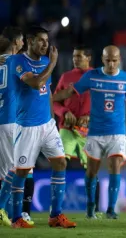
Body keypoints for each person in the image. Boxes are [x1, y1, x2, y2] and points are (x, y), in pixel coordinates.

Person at [53, 45, 126, 219]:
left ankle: (111, 209)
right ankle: (91, 206)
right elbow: (72, 91)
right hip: (94, 132)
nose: (111, 64)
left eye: (114, 60)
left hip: (117, 131)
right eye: (108, 60)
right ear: (102, 59)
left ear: (119, 60)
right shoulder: (91, 76)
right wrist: (48, 99)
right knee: (92, 171)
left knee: (115, 166)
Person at [9, 26, 76, 228]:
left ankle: (55, 215)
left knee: (60, 163)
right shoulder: (18, 62)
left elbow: (46, 92)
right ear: (30, 41)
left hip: (47, 125)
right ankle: (16, 218)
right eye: (41, 40)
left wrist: (52, 118)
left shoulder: (45, 62)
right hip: (27, 126)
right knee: (21, 172)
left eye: (47, 41)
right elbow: (36, 83)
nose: (45, 45)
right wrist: (54, 64)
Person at [53, 45, 101, 215]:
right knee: (60, 163)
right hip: (67, 128)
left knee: (92, 170)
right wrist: (64, 112)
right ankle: (56, 209)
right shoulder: (66, 77)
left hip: (89, 131)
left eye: (79, 56)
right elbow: (54, 101)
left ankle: (93, 210)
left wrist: (91, 117)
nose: (75, 59)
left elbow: (106, 105)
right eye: (74, 56)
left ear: (88, 58)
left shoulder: (98, 77)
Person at [0, 27, 23, 226]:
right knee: (14, 168)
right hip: (8, 120)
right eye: (22, 41)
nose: (24, 44)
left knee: (3, 170)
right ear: (15, 43)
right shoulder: (16, 62)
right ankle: (1, 209)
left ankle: (6, 212)